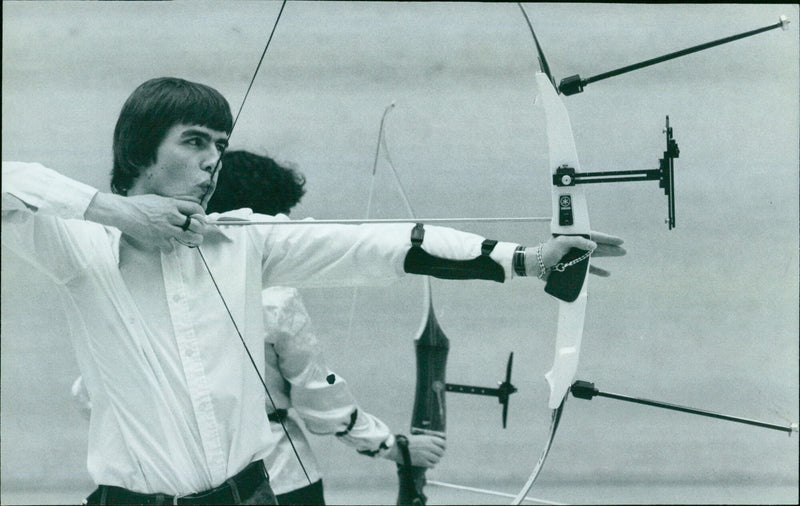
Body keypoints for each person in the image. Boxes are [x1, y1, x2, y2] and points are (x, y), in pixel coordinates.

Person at [1, 76, 625, 505]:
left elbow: (376, 245)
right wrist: (114, 212)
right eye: (194, 141)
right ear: (141, 148)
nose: (213, 160)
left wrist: (527, 259)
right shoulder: (79, 248)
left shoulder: (244, 242)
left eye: (219, 145)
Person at [70, 149, 447, 505]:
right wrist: (393, 446)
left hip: (175, 484)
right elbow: (318, 396)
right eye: (278, 216)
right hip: (281, 480)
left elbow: (90, 394)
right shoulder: (275, 297)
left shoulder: (141, 291)